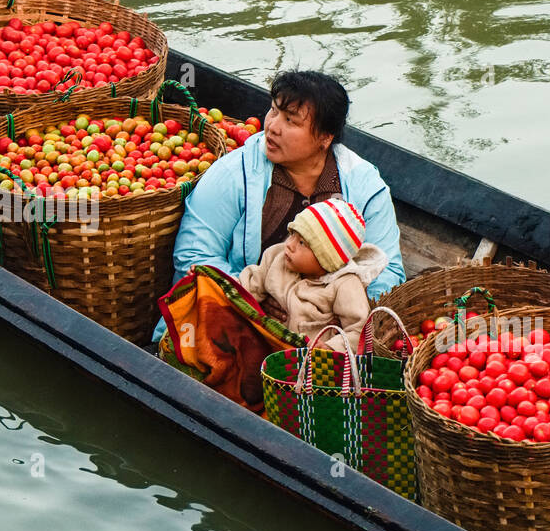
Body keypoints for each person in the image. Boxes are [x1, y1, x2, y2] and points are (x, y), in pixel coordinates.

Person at [152, 70, 404, 344]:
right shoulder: (234, 173)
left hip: (326, 340)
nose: (272, 126)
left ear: (325, 137)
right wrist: (254, 302)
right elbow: (194, 255)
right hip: (235, 322)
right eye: (273, 111)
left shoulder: (365, 185)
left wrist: (340, 314)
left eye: (290, 121)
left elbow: (388, 272)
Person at [237, 197, 388, 351]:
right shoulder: (276, 257)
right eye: (292, 234)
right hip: (261, 340)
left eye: (302, 243)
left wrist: (331, 348)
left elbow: (358, 331)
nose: (289, 244)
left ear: (326, 259)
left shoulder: (345, 284)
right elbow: (245, 288)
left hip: (304, 361)